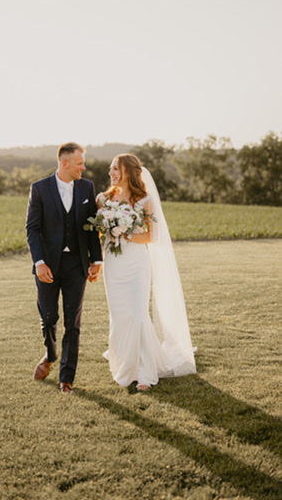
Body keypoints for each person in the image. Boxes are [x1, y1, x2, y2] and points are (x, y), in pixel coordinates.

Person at [97, 153, 196, 393]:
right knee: (121, 315)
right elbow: (98, 232)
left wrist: (123, 231)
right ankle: (124, 363)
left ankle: (144, 371)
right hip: (114, 263)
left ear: (128, 172)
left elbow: (151, 236)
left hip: (137, 264)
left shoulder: (145, 200)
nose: (110, 173)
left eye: (115, 169)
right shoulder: (103, 199)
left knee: (137, 313)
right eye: (110, 168)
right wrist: (108, 229)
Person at [26, 142, 102, 394]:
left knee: (73, 322)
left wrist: (96, 260)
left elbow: (91, 227)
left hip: (76, 266)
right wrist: (39, 263)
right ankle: (50, 354)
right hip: (47, 264)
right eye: (80, 163)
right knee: (48, 318)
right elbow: (32, 229)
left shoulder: (86, 187)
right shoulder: (39, 189)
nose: (84, 167)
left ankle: (66, 378)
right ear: (65, 162)